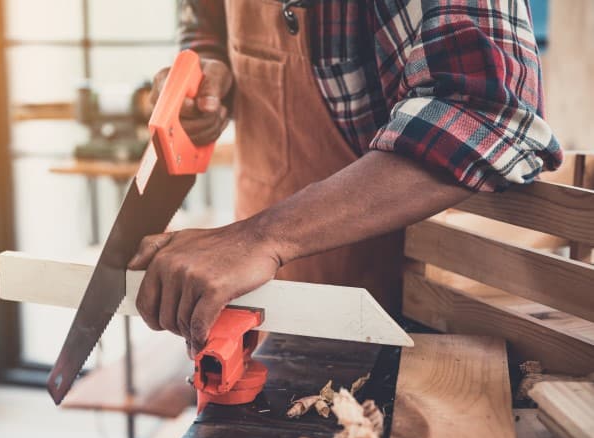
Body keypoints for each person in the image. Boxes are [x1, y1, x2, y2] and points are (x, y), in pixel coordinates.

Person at [127, 0, 562, 357]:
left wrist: (257, 238)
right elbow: (202, 20)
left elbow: (484, 113)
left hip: (403, 311)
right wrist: (208, 68)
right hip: (256, 297)